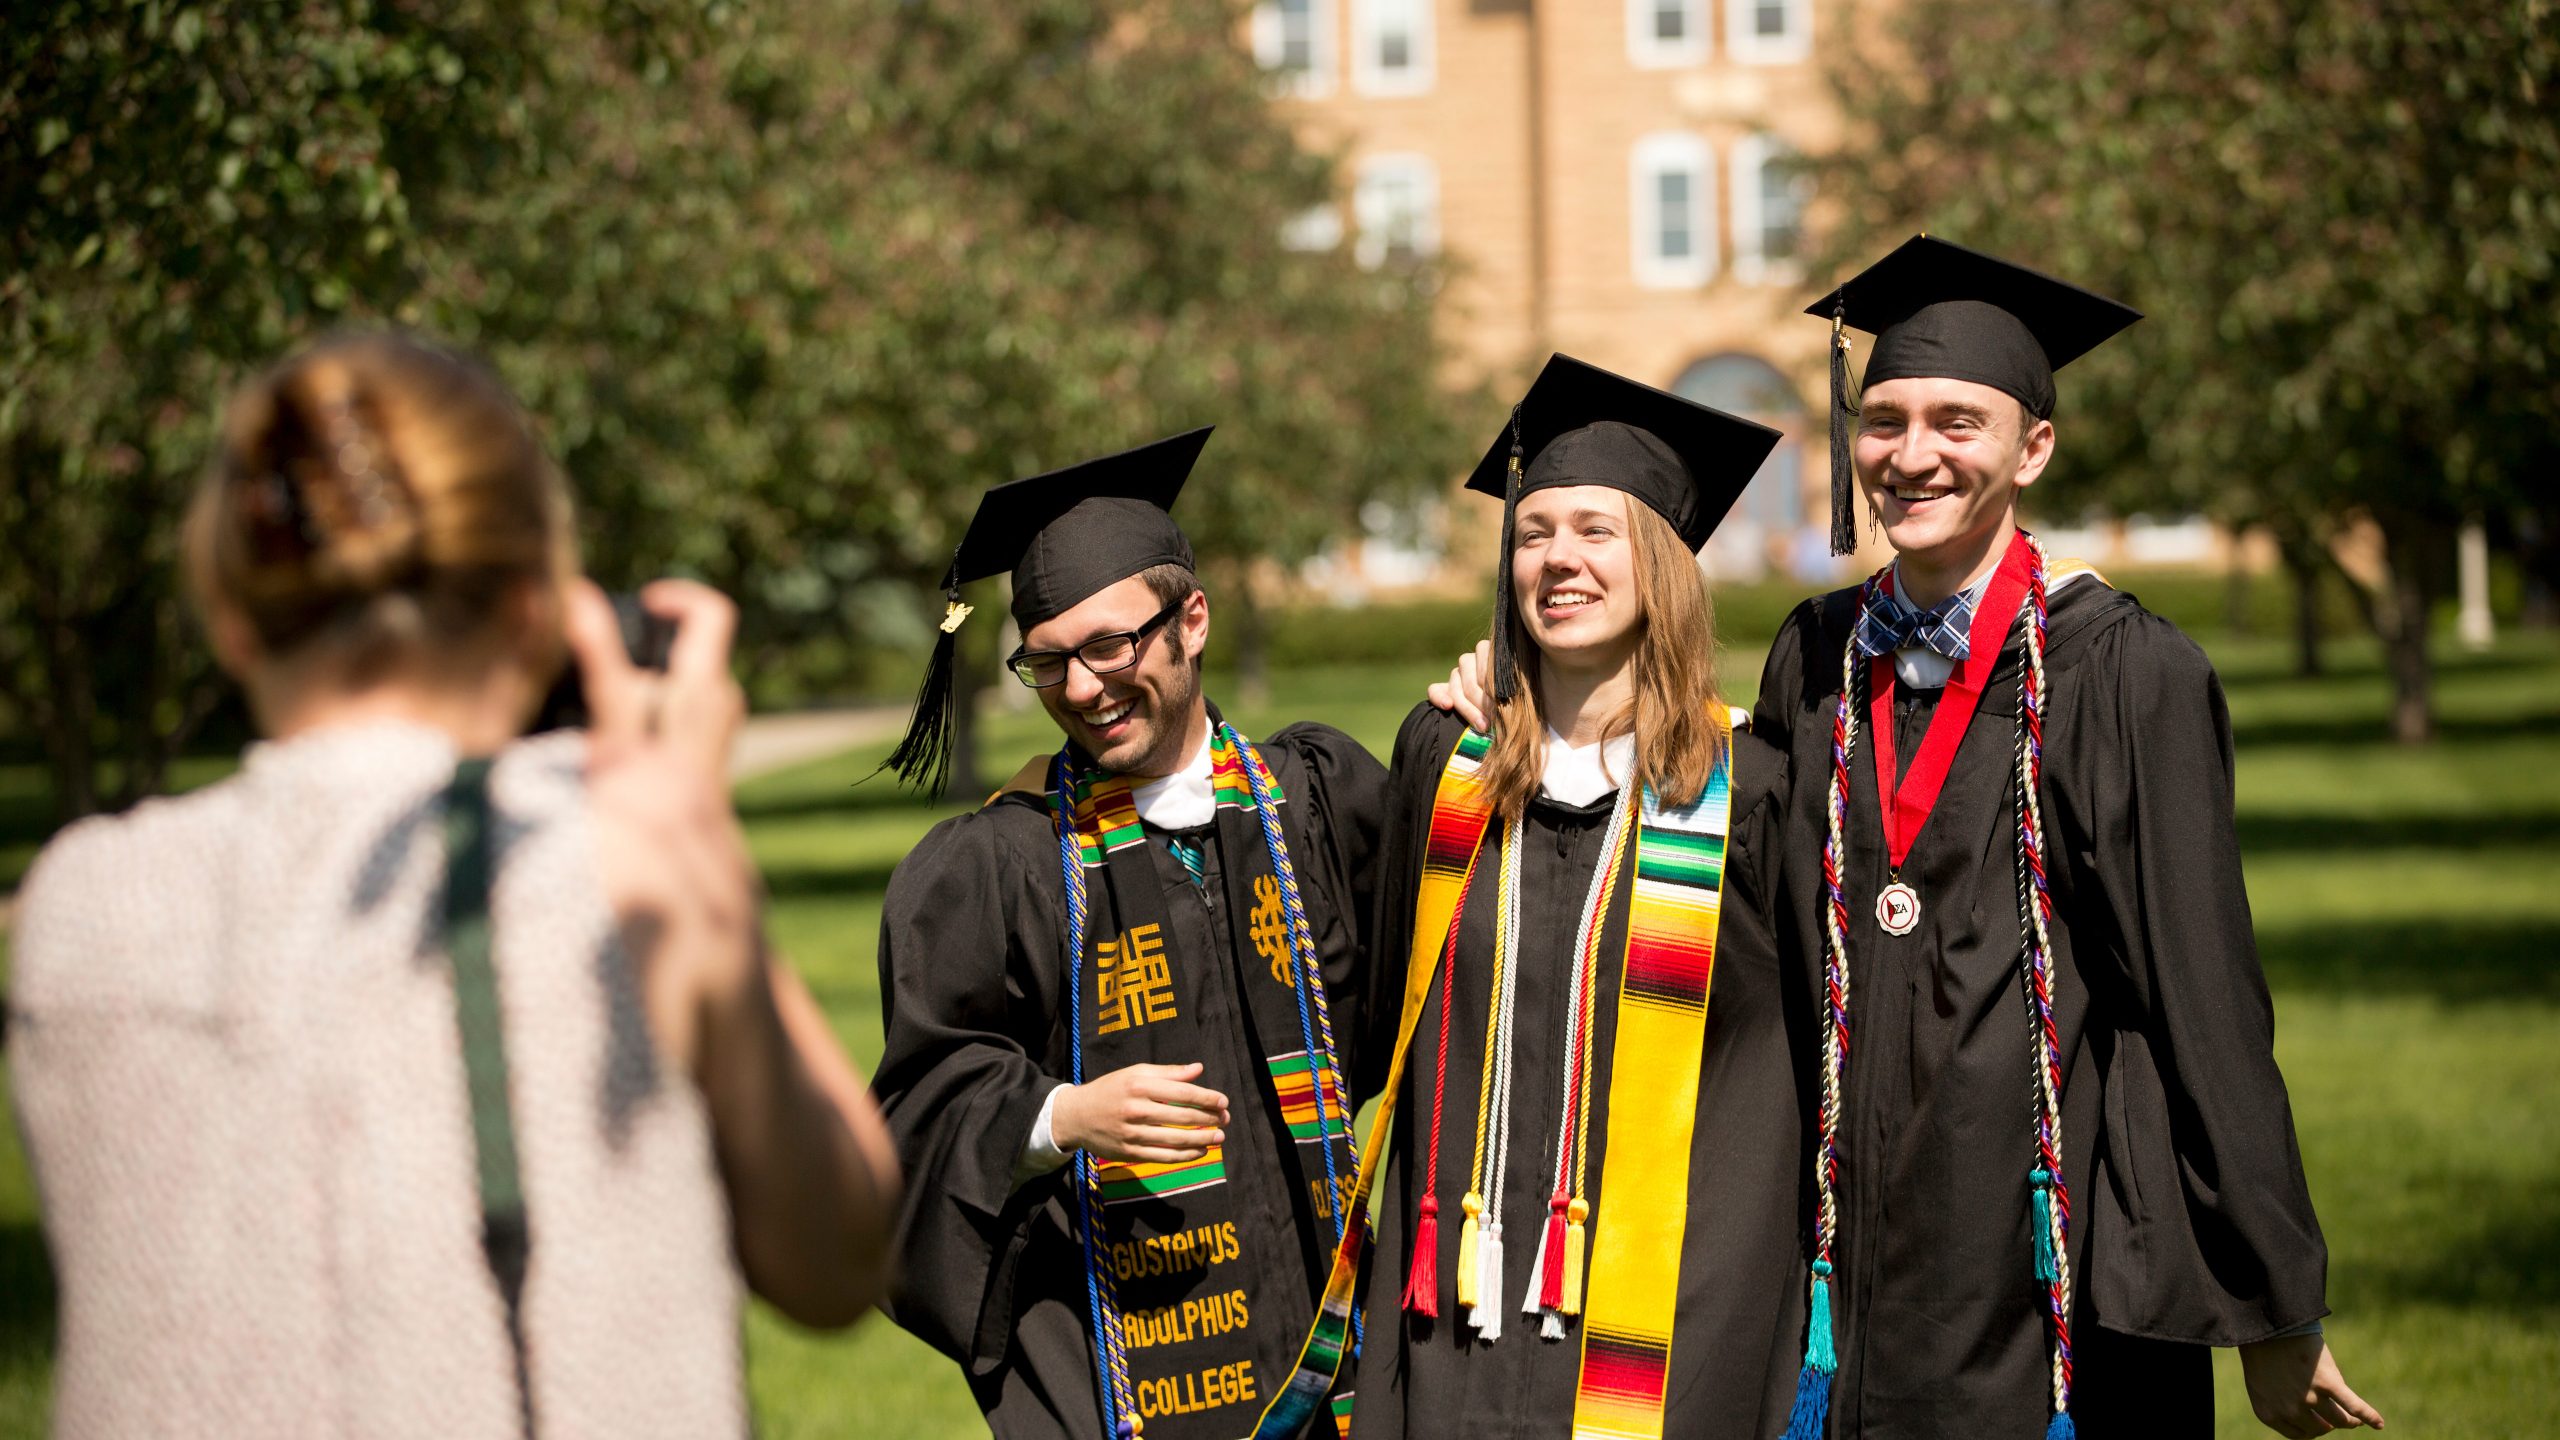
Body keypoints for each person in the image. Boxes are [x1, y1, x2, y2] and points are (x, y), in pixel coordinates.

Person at [6, 332, 899, 1439]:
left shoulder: (80, 907)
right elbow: (838, 1253)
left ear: (231, 620)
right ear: (534, 609)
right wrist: (685, 813)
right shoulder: (629, 845)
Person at [1748, 237, 2383, 1439]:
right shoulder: (1818, 657)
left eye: (1956, 420)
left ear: (2033, 447)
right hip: (1840, 1260)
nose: (1912, 454)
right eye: (1882, 421)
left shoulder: (2120, 671)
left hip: (2042, 1264)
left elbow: (2203, 997)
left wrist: (2272, 1303)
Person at [869, 430, 1391, 1440]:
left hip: (1342, 1353)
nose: (1080, 689)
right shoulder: (1000, 867)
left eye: (1110, 646)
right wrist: (1058, 1115)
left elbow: (1437, 996)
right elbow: (909, 1117)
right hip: (1116, 1371)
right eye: (1047, 662)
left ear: (1190, 619)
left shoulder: (1316, 803)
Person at [1350, 356, 1811, 1439]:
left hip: (1675, 1315)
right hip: (1456, 1305)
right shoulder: (1446, 762)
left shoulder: (1753, 792)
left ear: (1660, 563)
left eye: (1597, 531)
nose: (1559, 558)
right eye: (1534, 531)